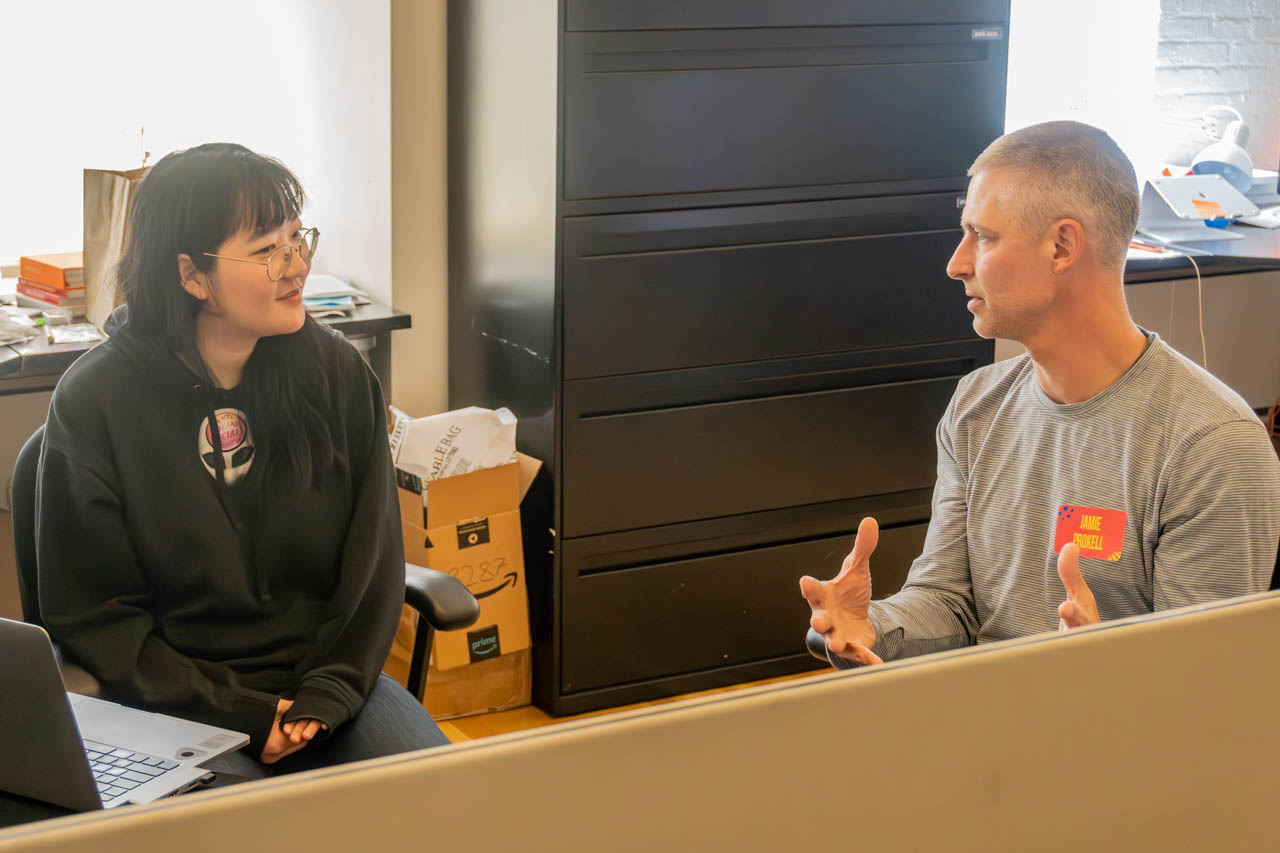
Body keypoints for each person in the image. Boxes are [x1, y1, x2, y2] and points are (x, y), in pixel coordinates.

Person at [801, 120, 1280, 668]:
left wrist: (1103, 663)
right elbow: (950, 605)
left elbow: (1205, 690)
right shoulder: (975, 407)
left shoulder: (1212, 446)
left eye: (983, 236)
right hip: (984, 733)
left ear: (1062, 246)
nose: (956, 264)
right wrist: (871, 627)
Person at [36, 143, 448, 779]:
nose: (296, 265)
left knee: (445, 802)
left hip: (325, 692)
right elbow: (96, 615)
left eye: (297, 238)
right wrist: (239, 710)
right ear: (191, 275)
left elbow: (373, 560)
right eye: (266, 251)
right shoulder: (97, 401)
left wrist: (330, 690)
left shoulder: (335, 373)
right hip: (176, 703)